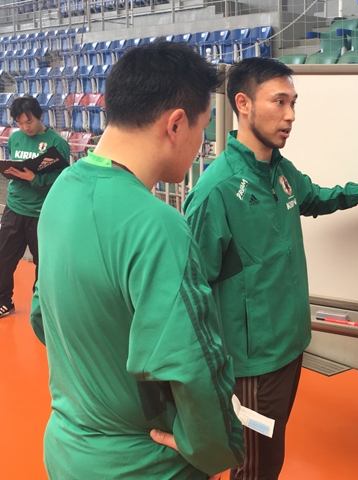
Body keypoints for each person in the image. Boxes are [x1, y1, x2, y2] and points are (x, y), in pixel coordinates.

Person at [30, 41, 244, 479]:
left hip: (68, 449)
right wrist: (212, 449)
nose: (202, 143)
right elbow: (190, 366)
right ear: (176, 124)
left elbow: (40, 317)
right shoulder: (156, 224)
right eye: (203, 129)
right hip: (142, 463)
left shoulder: (61, 190)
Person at [183, 57, 358, 480]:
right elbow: (191, 288)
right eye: (279, 102)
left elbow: (314, 197)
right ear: (243, 104)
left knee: (269, 455)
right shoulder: (218, 190)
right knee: (255, 467)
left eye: (293, 102)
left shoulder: (280, 170)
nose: (290, 115)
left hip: (291, 344)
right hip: (251, 364)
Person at [0, 96, 69, 318]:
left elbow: (62, 177)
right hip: (15, 207)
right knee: (4, 257)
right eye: (20, 123)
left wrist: (34, 179)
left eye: (29, 121)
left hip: (42, 212)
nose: (25, 127)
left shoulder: (57, 143)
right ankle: (3, 301)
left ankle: (41, 307)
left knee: (43, 262)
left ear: (40, 116)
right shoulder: (15, 138)